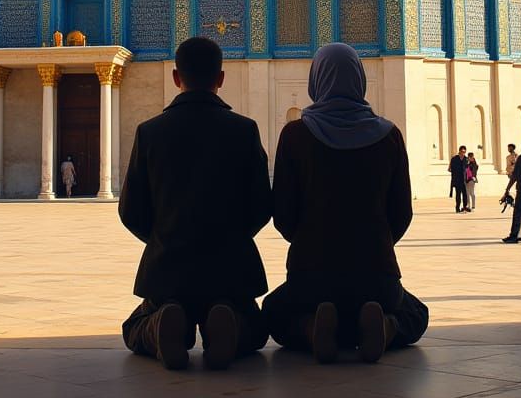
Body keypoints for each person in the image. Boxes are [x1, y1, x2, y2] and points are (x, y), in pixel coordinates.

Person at [262, 43, 429, 364]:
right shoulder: (389, 135)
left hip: (310, 277)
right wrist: (375, 242)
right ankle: (384, 325)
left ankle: (314, 327)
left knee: (274, 314)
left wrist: (312, 240)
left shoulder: (295, 135)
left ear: (316, 80)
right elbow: (402, 213)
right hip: (377, 275)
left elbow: (283, 215)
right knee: (416, 314)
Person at [118, 36, 271, 370]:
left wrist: (164, 238)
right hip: (231, 270)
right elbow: (262, 204)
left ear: (177, 77)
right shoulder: (244, 131)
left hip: (168, 271)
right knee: (255, 328)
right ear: (221, 78)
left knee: (134, 328)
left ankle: (162, 326)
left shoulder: (150, 132)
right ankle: (226, 323)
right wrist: (233, 236)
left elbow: (131, 210)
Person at [448, 146, 469, 213]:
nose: (463, 153)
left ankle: (465, 207)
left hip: (464, 180)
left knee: (465, 194)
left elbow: (469, 169)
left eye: (464, 152)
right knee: (458, 195)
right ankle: (457, 208)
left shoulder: (466, 159)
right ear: (459, 151)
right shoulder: (454, 159)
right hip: (457, 180)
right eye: (462, 152)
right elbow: (450, 169)